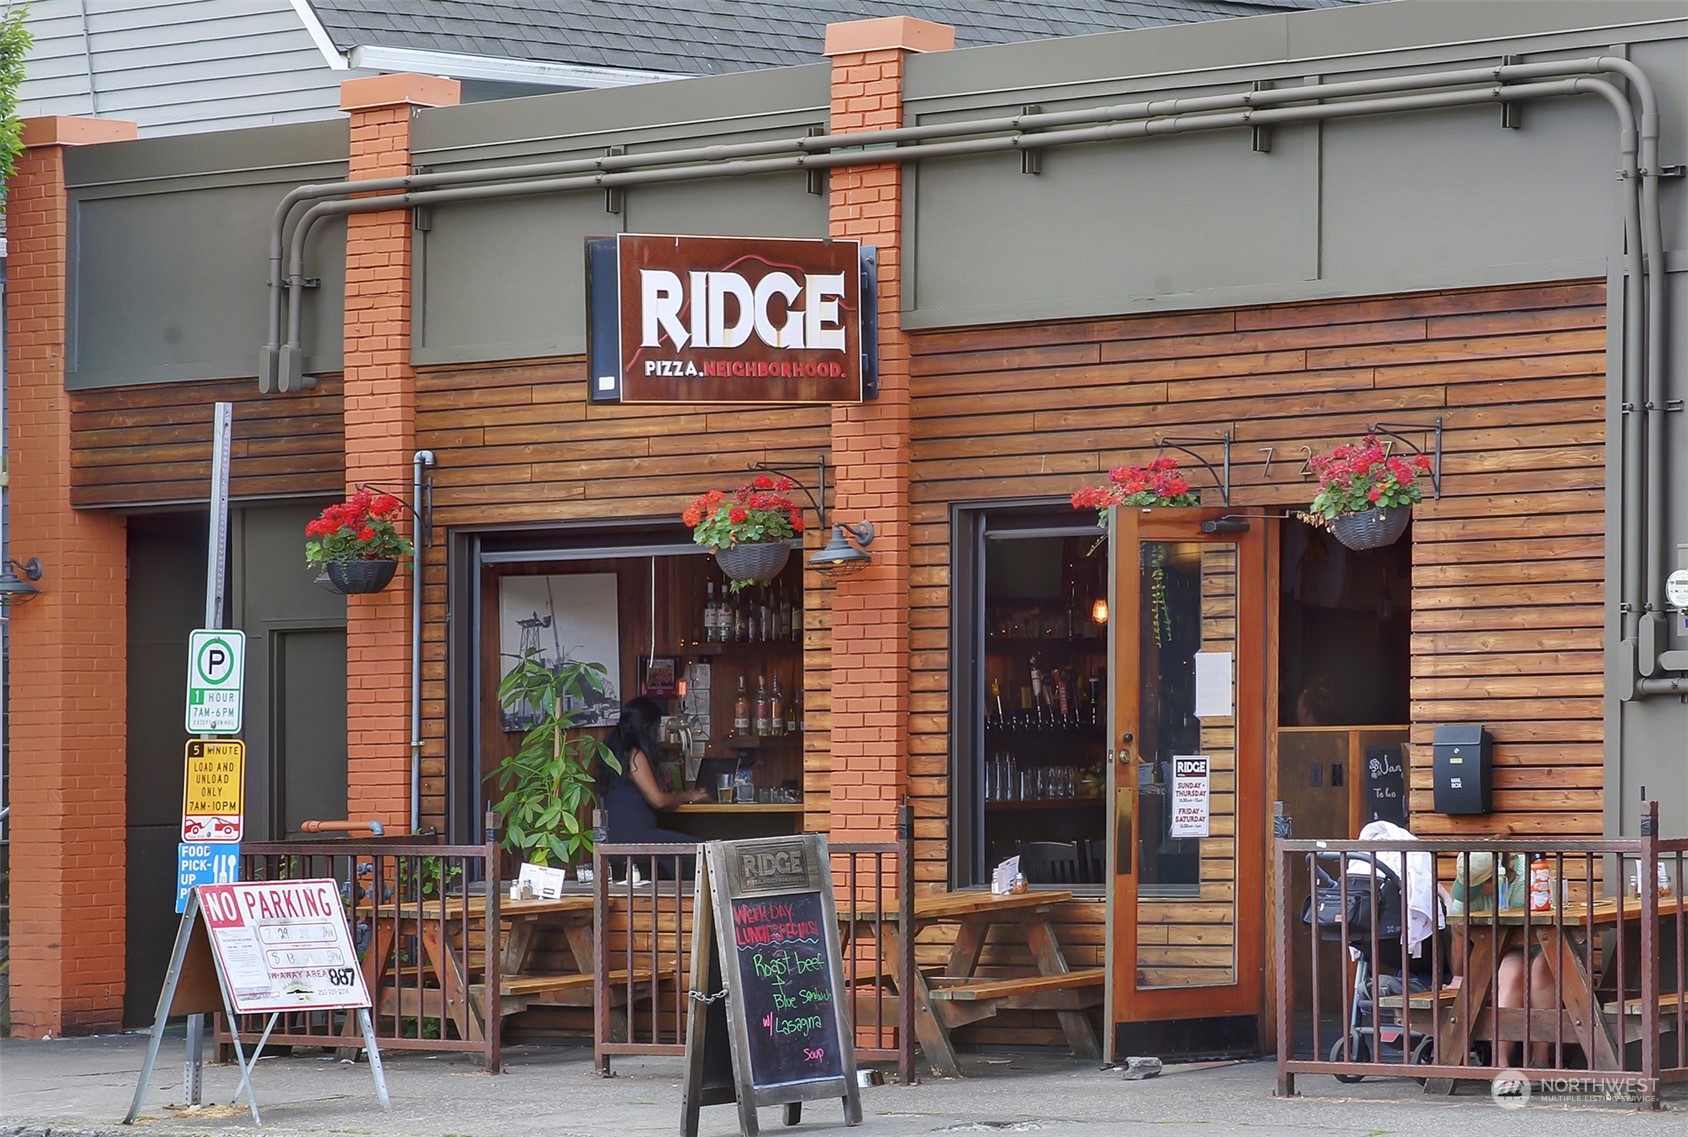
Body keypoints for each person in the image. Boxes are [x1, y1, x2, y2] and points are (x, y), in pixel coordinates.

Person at [1448, 850, 1558, 1067]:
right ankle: (1500, 1062)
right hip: (1504, 950)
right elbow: (1458, 934)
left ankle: (1540, 1058)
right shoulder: (1468, 893)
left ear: (1497, 875)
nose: (1472, 893)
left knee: (1541, 969)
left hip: (1543, 943)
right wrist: (1459, 976)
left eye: (1479, 886)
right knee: (1510, 973)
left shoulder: (1529, 873)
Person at [597, 696, 709, 873]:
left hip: (616, 836)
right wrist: (690, 795)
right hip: (635, 838)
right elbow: (658, 800)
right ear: (648, 727)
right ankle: (693, 898)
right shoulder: (634, 754)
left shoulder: (613, 751)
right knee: (705, 850)